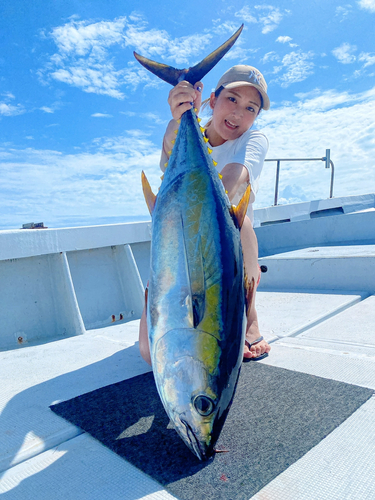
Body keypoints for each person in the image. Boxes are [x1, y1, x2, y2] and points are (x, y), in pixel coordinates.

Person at [139, 65, 271, 364]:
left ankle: (249, 318)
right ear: (212, 100)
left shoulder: (255, 140)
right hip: (179, 241)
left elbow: (233, 179)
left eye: (251, 108)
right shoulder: (181, 130)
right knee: (150, 354)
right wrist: (181, 112)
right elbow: (173, 136)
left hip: (227, 249)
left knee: (240, 223)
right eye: (232, 99)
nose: (239, 113)